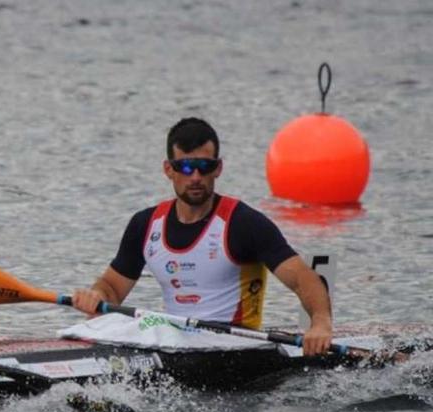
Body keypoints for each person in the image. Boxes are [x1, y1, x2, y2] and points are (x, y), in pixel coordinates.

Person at [72, 117, 334, 356]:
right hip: (175, 343)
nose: (195, 177)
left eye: (204, 167)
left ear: (218, 168)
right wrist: (97, 296)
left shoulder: (243, 223)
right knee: (97, 323)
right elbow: (112, 288)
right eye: (185, 167)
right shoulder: (145, 224)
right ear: (168, 169)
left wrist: (320, 324)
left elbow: (303, 278)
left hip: (234, 347)